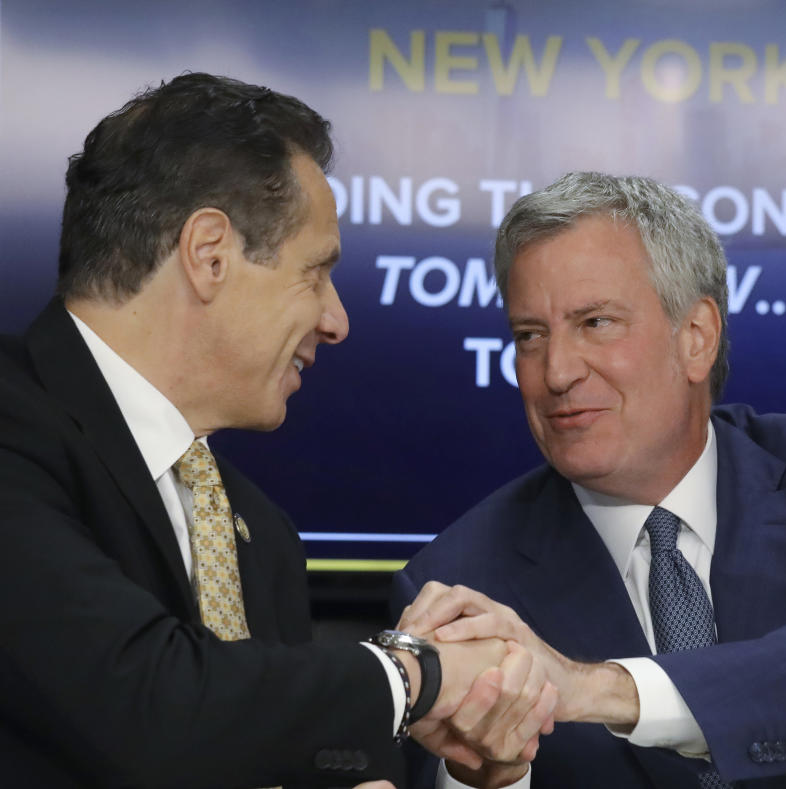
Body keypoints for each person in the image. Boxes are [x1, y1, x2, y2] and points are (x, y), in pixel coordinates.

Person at [0, 73, 553, 788]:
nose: (337, 319)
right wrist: (415, 675)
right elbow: (149, 701)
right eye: (315, 272)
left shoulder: (260, 535)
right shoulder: (15, 429)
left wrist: (482, 760)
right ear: (209, 254)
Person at [392, 172, 786, 788]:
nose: (554, 372)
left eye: (596, 323)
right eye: (530, 336)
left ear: (696, 338)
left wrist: (588, 688)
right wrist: (489, 773)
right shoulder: (459, 581)